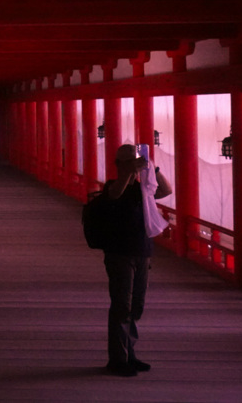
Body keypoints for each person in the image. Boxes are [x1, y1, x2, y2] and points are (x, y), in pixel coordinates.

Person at [101, 143, 172, 377]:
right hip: (119, 253)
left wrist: (153, 167)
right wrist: (131, 171)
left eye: (136, 159)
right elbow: (114, 194)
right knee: (122, 305)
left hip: (142, 252)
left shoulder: (144, 190)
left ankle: (130, 353)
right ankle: (117, 359)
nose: (134, 163)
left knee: (136, 306)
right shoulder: (113, 186)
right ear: (119, 164)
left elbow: (166, 190)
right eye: (129, 160)